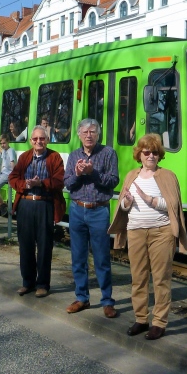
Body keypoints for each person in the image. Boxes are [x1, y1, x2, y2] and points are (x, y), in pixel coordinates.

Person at [108, 133, 187, 340]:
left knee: (161, 279)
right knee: (138, 278)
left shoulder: (167, 176)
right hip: (135, 232)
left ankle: (159, 322)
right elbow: (123, 206)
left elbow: (173, 205)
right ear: (139, 155)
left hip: (161, 233)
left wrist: (149, 199)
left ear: (159, 155)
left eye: (154, 152)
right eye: (146, 152)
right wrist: (126, 202)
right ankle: (141, 319)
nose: (151, 156)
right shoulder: (131, 175)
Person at [63, 119, 120, 318]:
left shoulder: (108, 153)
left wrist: (93, 173)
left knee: (102, 258)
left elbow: (113, 181)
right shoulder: (74, 156)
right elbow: (68, 183)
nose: (89, 135)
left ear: (98, 134)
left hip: (99, 210)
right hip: (77, 209)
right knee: (78, 257)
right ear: (79, 135)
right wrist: (78, 174)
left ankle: (107, 301)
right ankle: (82, 298)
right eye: (85, 132)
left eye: (93, 132)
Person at [9, 125, 65, 298]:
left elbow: (59, 181)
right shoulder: (24, 157)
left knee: (44, 246)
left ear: (47, 140)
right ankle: (27, 282)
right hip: (25, 204)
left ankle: (42, 284)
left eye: (42, 138)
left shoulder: (55, 157)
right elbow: (13, 178)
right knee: (25, 245)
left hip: (44, 204)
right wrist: (24, 184)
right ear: (31, 141)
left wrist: (41, 183)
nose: (39, 141)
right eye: (35, 139)